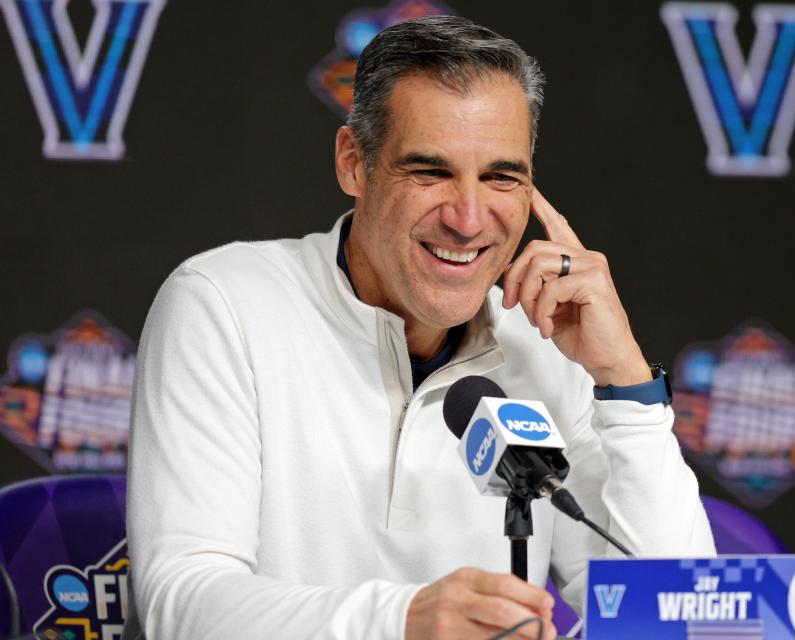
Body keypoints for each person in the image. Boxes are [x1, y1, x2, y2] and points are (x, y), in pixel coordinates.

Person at [124, 15, 715, 640]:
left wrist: (624, 383)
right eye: (429, 172)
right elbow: (181, 605)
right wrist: (402, 621)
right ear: (354, 164)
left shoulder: (542, 340)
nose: (467, 219)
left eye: (500, 177)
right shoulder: (224, 304)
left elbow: (676, 617)